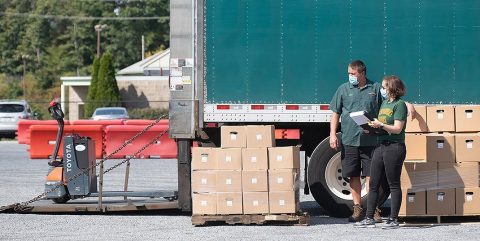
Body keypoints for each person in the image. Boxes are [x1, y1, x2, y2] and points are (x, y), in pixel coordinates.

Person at [329, 60, 383, 222]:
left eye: (353, 74)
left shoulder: (376, 88)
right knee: (353, 175)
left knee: (372, 176)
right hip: (349, 140)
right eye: (349, 74)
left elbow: (391, 101)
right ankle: (357, 209)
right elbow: (335, 113)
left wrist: (408, 105)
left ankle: (373, 209)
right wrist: (332, 134)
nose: (350, 76)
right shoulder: (343, 89)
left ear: (362, 73)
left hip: (371, 141)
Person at [354, 75, 408, 229]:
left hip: (395, 147)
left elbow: (397, 129)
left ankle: (393, 219)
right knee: (373, 183)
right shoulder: (384, 103)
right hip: (381, 145)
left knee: (393, 184)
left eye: (384, 87)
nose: (382, 90)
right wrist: (370, 127)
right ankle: (369, 217)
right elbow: (381, 125)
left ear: (391, 88)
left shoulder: (400, 105)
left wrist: (381, 125)